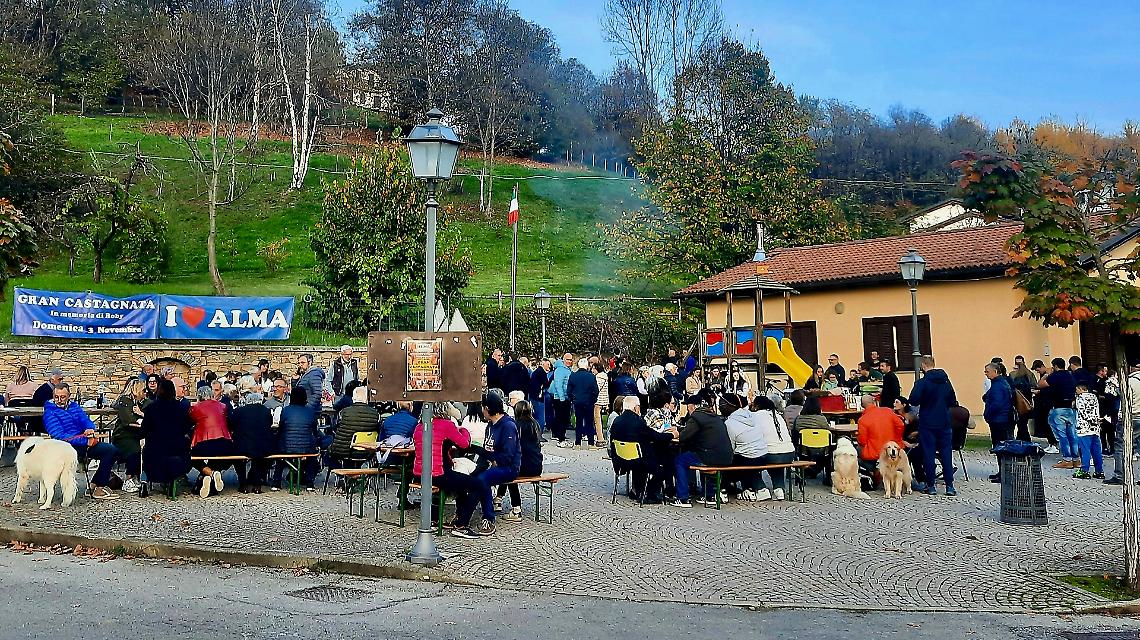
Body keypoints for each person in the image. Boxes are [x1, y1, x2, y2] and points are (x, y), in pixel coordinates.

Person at [451, 393, 520, 539]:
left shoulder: (508, 426)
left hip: (508, 468)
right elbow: (486, 452)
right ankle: (461, 516)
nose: (481, 411)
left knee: (482, 480)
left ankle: (485, 518)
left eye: (483, 408)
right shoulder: (490, 425)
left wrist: (492, 460)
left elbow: (508, 456)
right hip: (491, 465)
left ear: (487, 409)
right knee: (469, 479)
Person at [43, 383, 121, 500]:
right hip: (64, 447)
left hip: (82, 442)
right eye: (56, 397)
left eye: (63, 397)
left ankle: (96, 485)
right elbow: (59, 436)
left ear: (69, 396)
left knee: (111, 450)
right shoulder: (49, 412)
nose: (59, 400)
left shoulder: (74, 406)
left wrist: (90, 429)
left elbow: (85, 420)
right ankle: (98, 487)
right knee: (107, 450)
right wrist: (85, 440)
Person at [672, 390, 733, 507]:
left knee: (680, 460)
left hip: (710, 457)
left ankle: (683, 498)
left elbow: (684, 437)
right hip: (726, 457)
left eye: (688, 407)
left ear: (692, 407)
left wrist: (676, 432)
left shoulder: (696, 417)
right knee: (701, 456)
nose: (688, 410)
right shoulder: (713, 416)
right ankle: (709, 495)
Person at [909, 355, 960, 496]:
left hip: (927, 422)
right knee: (946, 453)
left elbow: (913, 400)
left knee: (928, 453)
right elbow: (952, 401)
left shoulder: (922, 382)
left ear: (923, 365)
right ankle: (949, 485)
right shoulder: (945, 380)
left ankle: (931, 486)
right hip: (944, 421)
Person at [189, 386, 242, 498]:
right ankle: (214, 473)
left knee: (191, 457)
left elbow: (190, 422)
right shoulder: (222, 406)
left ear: (199, 396)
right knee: (223, 457)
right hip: (224, 442)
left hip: (203, 443)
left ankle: (210, 473)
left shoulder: (195, 408)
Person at [140, 379, 193, 490]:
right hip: (176, 449)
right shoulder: (180, 408)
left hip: (155, 450)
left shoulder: (151, 408)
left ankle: (145, 480)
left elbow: (144, 429)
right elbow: (186, 428)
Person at [721, 393, 770, 501]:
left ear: (732, 406)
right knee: (744, 457)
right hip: (763, 454)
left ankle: (722, 489)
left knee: (726, 462)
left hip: (748, 458)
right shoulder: (751, 415)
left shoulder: (729, 423)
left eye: (722, 404)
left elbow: (730, 448)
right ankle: (750, 488)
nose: (720, 407)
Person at [500, 400, 542, 522]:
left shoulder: (515, 425)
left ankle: (516, 509)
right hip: (536, 466)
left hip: (522, 466)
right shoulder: (535, 425)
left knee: (508, 473)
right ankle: (498, 497)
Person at [274, 387, 321, 491]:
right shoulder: (310, 411)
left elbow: (281, 428)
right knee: (311, 458)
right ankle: (309, 483)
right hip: (306, 447)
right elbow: (314, 430)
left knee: (280, 458)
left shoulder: (285, 410)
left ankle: (276, 482)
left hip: (286, 447)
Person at [230, 389, 276, 493]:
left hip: (243, 446)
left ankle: (243, 484)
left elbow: (231, 426)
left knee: (237, 458)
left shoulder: (239, 410)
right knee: (262, 457)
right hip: (263, 447)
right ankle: (257, 484)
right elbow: (270, 424)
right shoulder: (266, 410)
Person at [753, 395, 796, 500]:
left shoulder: (756, 416)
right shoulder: (777, 415)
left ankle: (761, 488)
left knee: (749, 461)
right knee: (777, 458)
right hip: (789, 453)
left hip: (771, 454)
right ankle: (779, 488)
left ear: (757, 406)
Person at [1040, 357, 1079, 469]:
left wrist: (1047, 374)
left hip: (1058, 408)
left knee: (1062, 436)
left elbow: (1041, 384)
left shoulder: (1055, 376)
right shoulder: (1070, 375)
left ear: (1055, 366)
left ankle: (1067, 459)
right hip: (1071, 409)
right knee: (1072, 435)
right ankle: (1076, 459)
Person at [110, 379, 148, 494]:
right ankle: (128, 479)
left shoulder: (139, 402)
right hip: (123, 435)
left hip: (135, 434)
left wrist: (142, 416)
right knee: (134, 450)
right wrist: (142, 421)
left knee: (142, 450)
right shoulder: (125, 401)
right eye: (143, 390)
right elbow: (128, 420)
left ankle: (136, 477)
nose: (145, 392)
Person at [1106, 362, 1140, 486]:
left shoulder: (1129, 381)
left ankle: (1120, 475)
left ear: (1131, 367)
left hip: (1131, 415)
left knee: (1120, 445)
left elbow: (1119, 395)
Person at [982, 362, 1015, 482]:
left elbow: (997, 403)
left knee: (1001, 447)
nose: (985, 374)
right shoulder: (1001, 383)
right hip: (1001, 419)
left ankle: (1004, 474)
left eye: (987, 371)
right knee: (1000, 447)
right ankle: (1002, 472)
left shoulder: (998, 385)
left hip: (999, 420)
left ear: (995, 372)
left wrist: (987, 414)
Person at [857, 394, 904, 465]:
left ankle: (874, 471)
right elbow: (900, 425)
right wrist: (896, 440)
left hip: (874, 455)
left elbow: (862, 441)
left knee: (857, 451)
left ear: (862, 405)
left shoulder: (862, 420)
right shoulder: (888, 411)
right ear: (874, 402)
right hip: (892, 451)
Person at [1073, 383, 1105, 480]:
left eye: (1077, 389)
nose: (1076, 391)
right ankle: (1099, 471)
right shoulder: (1094, 397)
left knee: (1085, 450)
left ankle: (1084, 471)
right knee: (1096, 451)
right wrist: (1096, 421)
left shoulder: (1080, 398)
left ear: (1080, 389)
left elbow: (1083, 412)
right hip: (1095, 429)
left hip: (1084, 428)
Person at [567, 358, 599, 449]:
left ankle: (578, 443)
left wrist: (573, 399)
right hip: (589, 402)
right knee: (589, 423)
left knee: (579, 422)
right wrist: (593, 400)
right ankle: (591, 443)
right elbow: (595, 390)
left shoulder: (573, 376)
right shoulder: (591, 376)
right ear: (587, 366)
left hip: (577, 402)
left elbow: (569, 391)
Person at [894, 395, 924, 487]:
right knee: (912, 454)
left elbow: (921, 428)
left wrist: (917, 432)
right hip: (899, 443)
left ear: (904, 405)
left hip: (913, 441)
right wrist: (904, 443)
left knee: (916, 453)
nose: (894, 404)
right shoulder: (894, 417)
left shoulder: (911, 417)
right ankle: (916, 480)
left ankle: (920, 479)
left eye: (897, 402)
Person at [1031, 359, 1060, 453]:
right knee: (1045, 424)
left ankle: (1054, 444)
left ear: (1042, 366)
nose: (1037, 371)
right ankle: (1051, 443)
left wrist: (1039, 391)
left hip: (1047, 403)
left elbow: (1050, 389)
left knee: (1048, 424)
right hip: (1043, 402)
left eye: (1038, 369)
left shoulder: (1048, 375)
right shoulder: (1044, 375)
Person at [1009, 355, 1037, 441]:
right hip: (1027, 402)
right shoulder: (1029, 374)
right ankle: (1022, 440)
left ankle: (1024, 440)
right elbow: (1034, 385)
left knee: (1021, 424)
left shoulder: (1012, 375)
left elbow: (1011, 388)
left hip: (1017, 403)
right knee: (1023, 423)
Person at [549, 353, 574, 446]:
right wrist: (562, 398)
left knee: (563, 418)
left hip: (565, 397)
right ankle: (561, 438)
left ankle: (560, 436)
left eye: (571, 360)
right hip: (560, 398)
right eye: (568, 359)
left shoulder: (567, 370)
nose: (569, 361)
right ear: (563, 360)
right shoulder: (560, 370)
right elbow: (558, 384)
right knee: (561, 418)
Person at [530, 358, 552, 431]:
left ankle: (536, 432)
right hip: (538, 396)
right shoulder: (541, 372)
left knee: (536, 415)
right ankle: (539, 433)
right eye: (548, 364)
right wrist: (551, 378)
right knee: (540, 415)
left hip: (533, 395)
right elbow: (546, 384)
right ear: (543, 364)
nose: (549, 366)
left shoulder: (536, 372)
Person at [593, 361, 610, 447]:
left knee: (597, 420)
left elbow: (596, 389)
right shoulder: (605, 377)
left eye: (593, 368)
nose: (592, 370)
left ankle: (600, 438)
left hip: (598, 401)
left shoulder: (598, 378)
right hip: (605, 400)